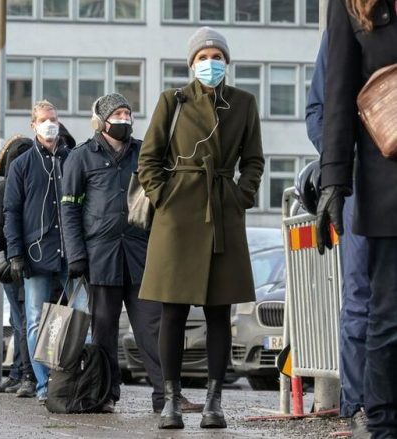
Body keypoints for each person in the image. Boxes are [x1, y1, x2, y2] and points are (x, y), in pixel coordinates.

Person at [138, 27, 264, 429]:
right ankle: (171, 400)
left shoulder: (244, 103)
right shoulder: (171, 101)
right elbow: (148, 158)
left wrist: (240, 196)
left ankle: (214, 401)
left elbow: (255, 160)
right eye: (203, 57)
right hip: (176, 220)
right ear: (191, 64)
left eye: (217, 56)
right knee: (171, 313)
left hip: (223, 215)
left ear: (227, 62)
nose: (210, 63)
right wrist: (164, 199)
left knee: (218, 314)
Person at [318, 1, 397, 437]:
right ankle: (383, 425)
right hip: (386, 183)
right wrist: (334, 182)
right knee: (386, 318)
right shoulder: (350, 6)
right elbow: (337, 95)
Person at [60, 92, 165, 414]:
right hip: (100, 256)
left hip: (139, 254)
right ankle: (105, 393)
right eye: (117, 114)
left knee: (152, 326)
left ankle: (166, 395)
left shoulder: (144, 152)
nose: (124, 119)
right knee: (104, 329)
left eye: (127, 114)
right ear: (103, 121)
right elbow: (69, 210)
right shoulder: (81, 157)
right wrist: (76, 255)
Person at [305, 30, 371, 437]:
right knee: (361, 300)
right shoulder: (348, 26)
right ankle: (358, 405)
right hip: (364, 187)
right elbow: (318, 113)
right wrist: (348, 165)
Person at [3, 100, 86, 404]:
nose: (50, 123)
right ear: (33, 125)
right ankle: (43, 385)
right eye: (44, 119)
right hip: (36, 253)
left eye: (54, 118)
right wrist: (15, 253)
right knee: (36, 319)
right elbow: (10, 211)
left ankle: (77, 380)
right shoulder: (21, 165)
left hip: (71, 252)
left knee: (80, 316)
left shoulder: (73, 158)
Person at [0, 135, 36, 396]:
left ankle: (21, 373)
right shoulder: (36, 182)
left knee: (21, 321)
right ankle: (23, 373)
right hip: (28, 260)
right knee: (27, 320)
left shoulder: (5, 187)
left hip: (11, 261)